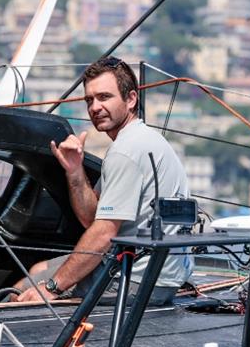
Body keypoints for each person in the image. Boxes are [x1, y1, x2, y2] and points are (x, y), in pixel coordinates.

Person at [15, 57, 192, 305]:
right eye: (89, 100)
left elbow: (104, 233)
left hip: (136, 281)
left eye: (104, 97)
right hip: (161, 276)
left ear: (131, 99)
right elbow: (91, 218)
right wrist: (75, 171)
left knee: (19, 294)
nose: (95, 107)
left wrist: (53, 288)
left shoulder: (126, 151)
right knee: (38, 270)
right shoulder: (138, 140)